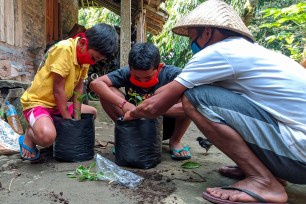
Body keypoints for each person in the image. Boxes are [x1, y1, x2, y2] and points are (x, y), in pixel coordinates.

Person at [123, 0, 306, 203]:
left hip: (297, 157)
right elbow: (171, 89)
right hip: (296, 153)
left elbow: (157, 106)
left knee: (195, 98)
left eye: (193, 37)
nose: (191, 44)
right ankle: (265, 170)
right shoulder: (250, 52)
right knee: (204, 94)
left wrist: (131, 113)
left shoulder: (217, 52)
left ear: (208, 32)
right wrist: (157, 95)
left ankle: (263, 181)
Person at [20, 23, 119, 161]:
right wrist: (68, 121)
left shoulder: (85, 58)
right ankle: (30, 135)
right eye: (94, 58)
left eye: (97, 60)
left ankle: (51, 131)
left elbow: (78, 89)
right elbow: (58, 90)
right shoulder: (64, 49)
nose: (94, 62)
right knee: (47, 136)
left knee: (91, 113)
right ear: (83, 43)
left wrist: (76, 119)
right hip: (38, 103)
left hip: (57, 105)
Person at [90, 42, 192, 160]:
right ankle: (128, 136)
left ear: (159, 67)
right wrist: (124, 104)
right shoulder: (125, 72)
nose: (142, 82)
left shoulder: (172, 74)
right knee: (107, 92)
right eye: (137, 77)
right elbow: (96, 83)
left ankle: (175, 141)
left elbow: (196, 98)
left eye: (148, 77)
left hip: (165, 128)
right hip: (134, 123)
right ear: (130, 68)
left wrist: (156, 109)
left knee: (189, 99)